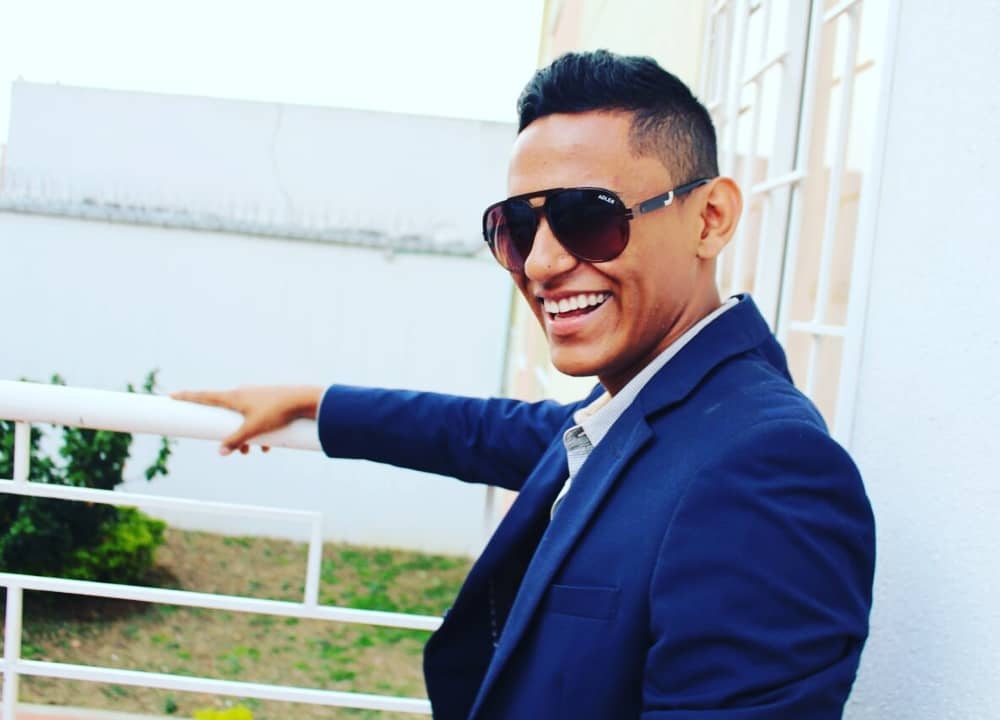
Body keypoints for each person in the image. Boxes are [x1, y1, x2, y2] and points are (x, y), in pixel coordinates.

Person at [175, 50, 875, 719]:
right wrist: (317, 403)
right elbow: (489, 433)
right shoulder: (648, 408)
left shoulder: (769, 472)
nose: (540, 264)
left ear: (710, 219)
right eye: (515, 226)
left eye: (589, 217)